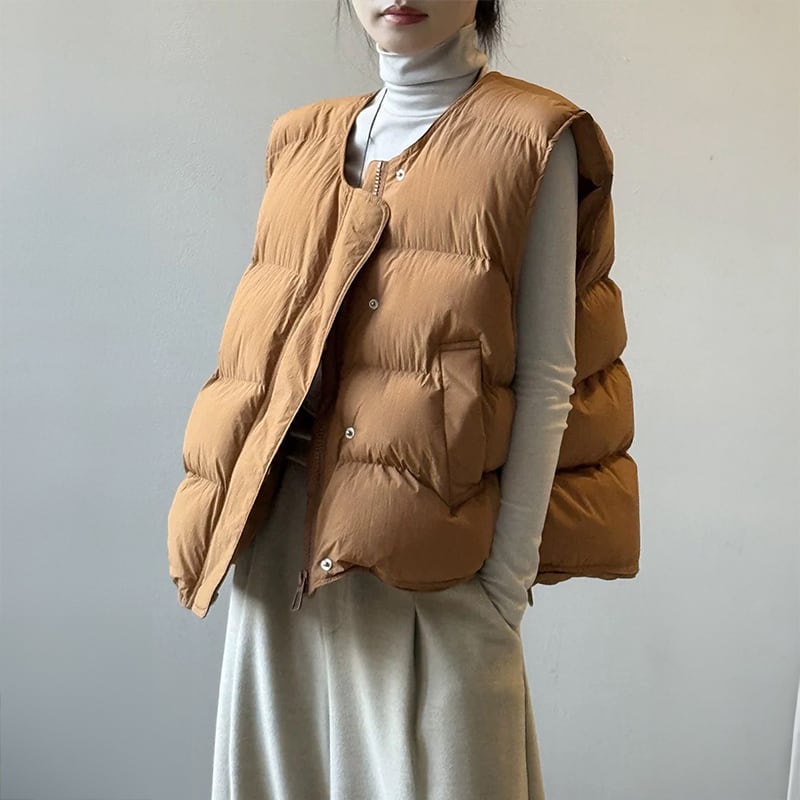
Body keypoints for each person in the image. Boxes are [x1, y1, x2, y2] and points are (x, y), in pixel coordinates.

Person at [166, 1, 639, 797]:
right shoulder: (300, 142)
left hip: (432, 563)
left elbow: (548, 378)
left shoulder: (532, 139)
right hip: (278, 557)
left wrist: (504, 583)